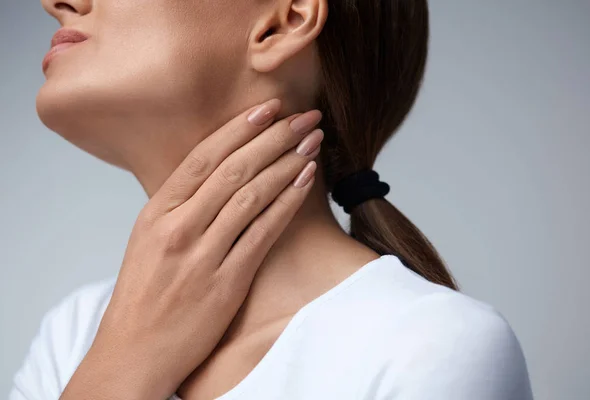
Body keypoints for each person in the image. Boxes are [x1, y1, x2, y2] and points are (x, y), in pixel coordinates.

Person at [10, 0, 534, 399]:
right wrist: (121, 364)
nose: (58, 1)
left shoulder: (431, 346)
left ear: (285, 21)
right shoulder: (74, 332)